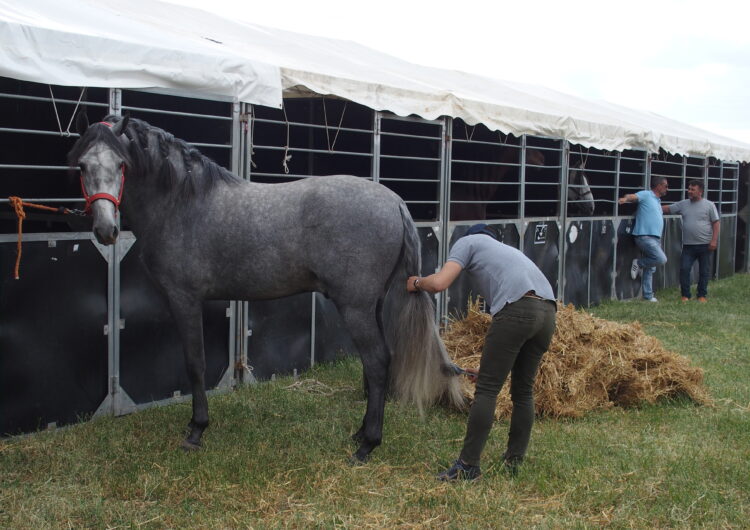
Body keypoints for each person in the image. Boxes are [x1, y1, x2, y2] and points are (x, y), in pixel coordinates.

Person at [406, 223, 557, 481]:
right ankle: (514, 459)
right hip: (548, 312)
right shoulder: (507, 250)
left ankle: (468, 466)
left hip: (517, 308)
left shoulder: (469, 242)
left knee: (487, 390)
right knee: (523, 390)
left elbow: (440, 283)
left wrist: (417, 282)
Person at [662, 180, 720, 302]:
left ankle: (701, 295)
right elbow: (667, 209)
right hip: (688, 245)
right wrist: (651, 205)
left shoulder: (709, 205)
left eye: (693, 189)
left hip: (705, 245)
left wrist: (714, 241)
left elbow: (716, 223)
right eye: (689, 189)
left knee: (704, 271)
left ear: (700, 191)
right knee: (684, 269)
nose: (689, 191)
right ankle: (685, 295)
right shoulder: (683, 204)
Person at [618, 176, 669, 302]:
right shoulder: (647, 194)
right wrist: (625, 198)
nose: (667, 189)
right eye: (665, 186)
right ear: (659, 186)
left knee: (651, 268)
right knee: (661, 259)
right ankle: (638, 263)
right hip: (644, 236)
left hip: (655, 237)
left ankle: (648, 295)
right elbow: (634, 196)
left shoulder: (657, 201)